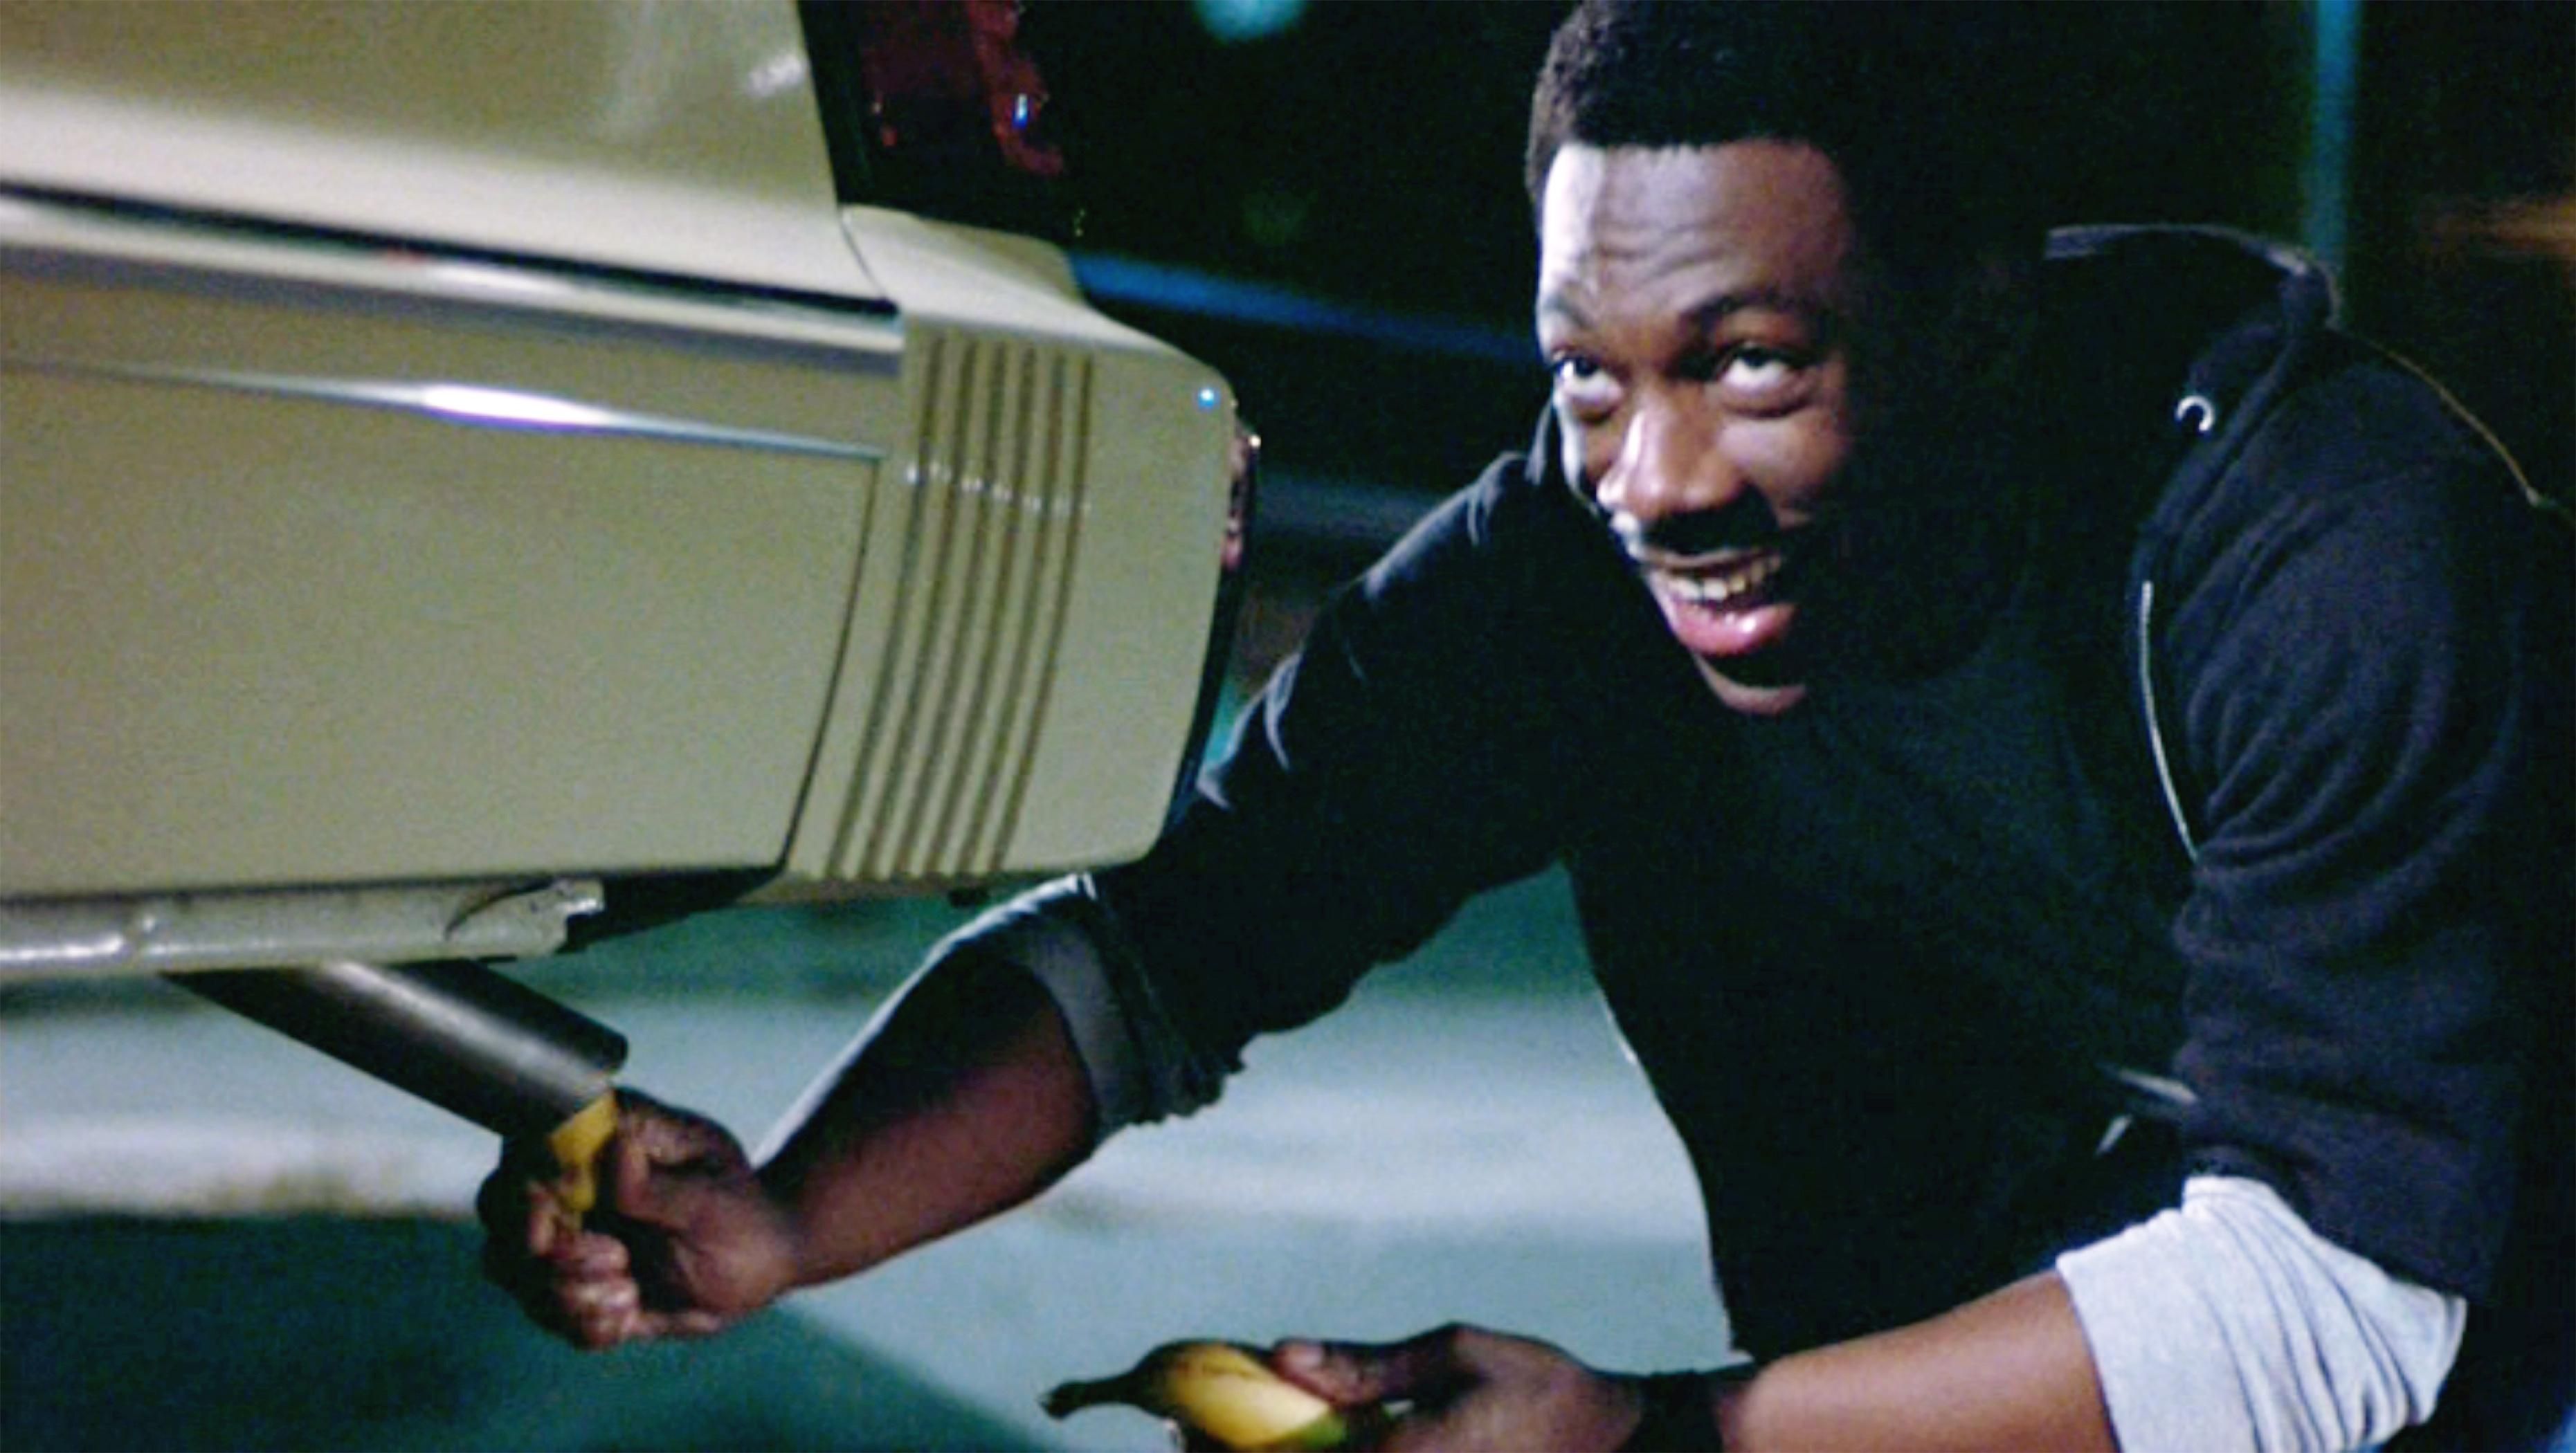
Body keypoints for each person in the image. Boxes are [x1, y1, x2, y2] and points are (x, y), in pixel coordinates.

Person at [482, 3, 2572, 1447]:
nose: (1656, 479)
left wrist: (1663, 1434)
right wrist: (789, 1213)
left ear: (1977, 320)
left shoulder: (2317, 550)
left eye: (1750, 364)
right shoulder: (1567, 571)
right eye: (1589, 373)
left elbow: (2332, 1306)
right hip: (2100, 1283)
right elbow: (1164, 944)